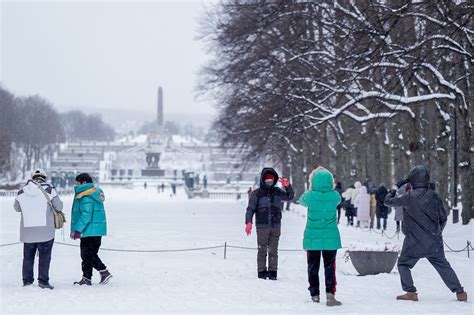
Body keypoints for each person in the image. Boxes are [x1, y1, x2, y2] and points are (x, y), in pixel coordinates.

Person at [385, 165, 467, 302]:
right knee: (443, 266)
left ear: (412, 180)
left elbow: (387, 202)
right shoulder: (433, 196)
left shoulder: (408, 197)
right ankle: (460, 292)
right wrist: (437, 232)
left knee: (403, 265)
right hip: (433, 241)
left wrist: (395, 187)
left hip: (413, 242)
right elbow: (443, 218)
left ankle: (410, 292)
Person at [299, 167, 342, 306]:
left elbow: (301, 200)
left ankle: (315, 295)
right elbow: (338, 201)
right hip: (330, 237)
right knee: (330, 267)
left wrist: (311, 188)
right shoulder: (335, 196)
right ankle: (330, 295)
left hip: (313, 237)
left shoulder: (310, 196)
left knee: (313, 267)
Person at [14, 169, 63, 289]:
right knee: (45, 258)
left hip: (28, 232)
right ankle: (43, 281)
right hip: (45, 231)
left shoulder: (21, 191)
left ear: (32, 178)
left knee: (28, 258)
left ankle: (27, 281)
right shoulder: (50, 190)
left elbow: (16, 208)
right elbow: (59, 206)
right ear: (44, 178)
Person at [245, 167, 294, 280]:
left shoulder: (277, 192)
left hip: (276, 225)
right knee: (262, 250)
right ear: (263, 180)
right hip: (262, 226)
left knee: (273, 250)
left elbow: (290, 196)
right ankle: (261, 271)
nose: (269, 182)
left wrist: (287, 186)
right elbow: (250, 209)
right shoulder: (256, 193)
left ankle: (273, 272)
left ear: (274, 180)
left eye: (271, 180)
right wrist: (248, 222)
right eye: (267, 180)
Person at [71, 173, 112, 286]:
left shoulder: (86, 195)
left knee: (88, 255)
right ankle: (86, 278)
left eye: (77, 183)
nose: (76, 185)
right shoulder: (93, 193)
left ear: (84, 183)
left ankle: (104, 272)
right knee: (88, 255)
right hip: (95, 230)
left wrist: (78, 229)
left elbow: (86, 215)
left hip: (88, 230)